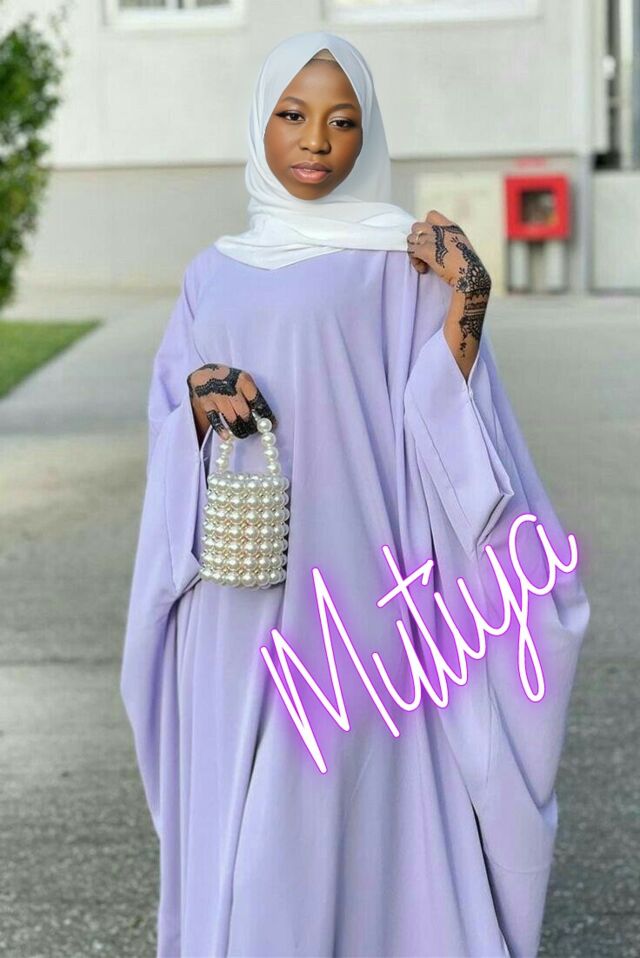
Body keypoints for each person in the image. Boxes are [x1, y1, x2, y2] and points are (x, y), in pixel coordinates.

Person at [120, 31, 590, 958]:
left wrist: (467, 300)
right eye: (292, 116)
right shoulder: (212, 271)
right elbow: (169, 422)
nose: (316, 141)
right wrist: (198, 403)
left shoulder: (396, 260)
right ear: (260, 123)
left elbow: (446, 426)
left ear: (367, 134)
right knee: (252, 821)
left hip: (356, 591)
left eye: (342, 122)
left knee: (324, 799)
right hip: (238, 595)